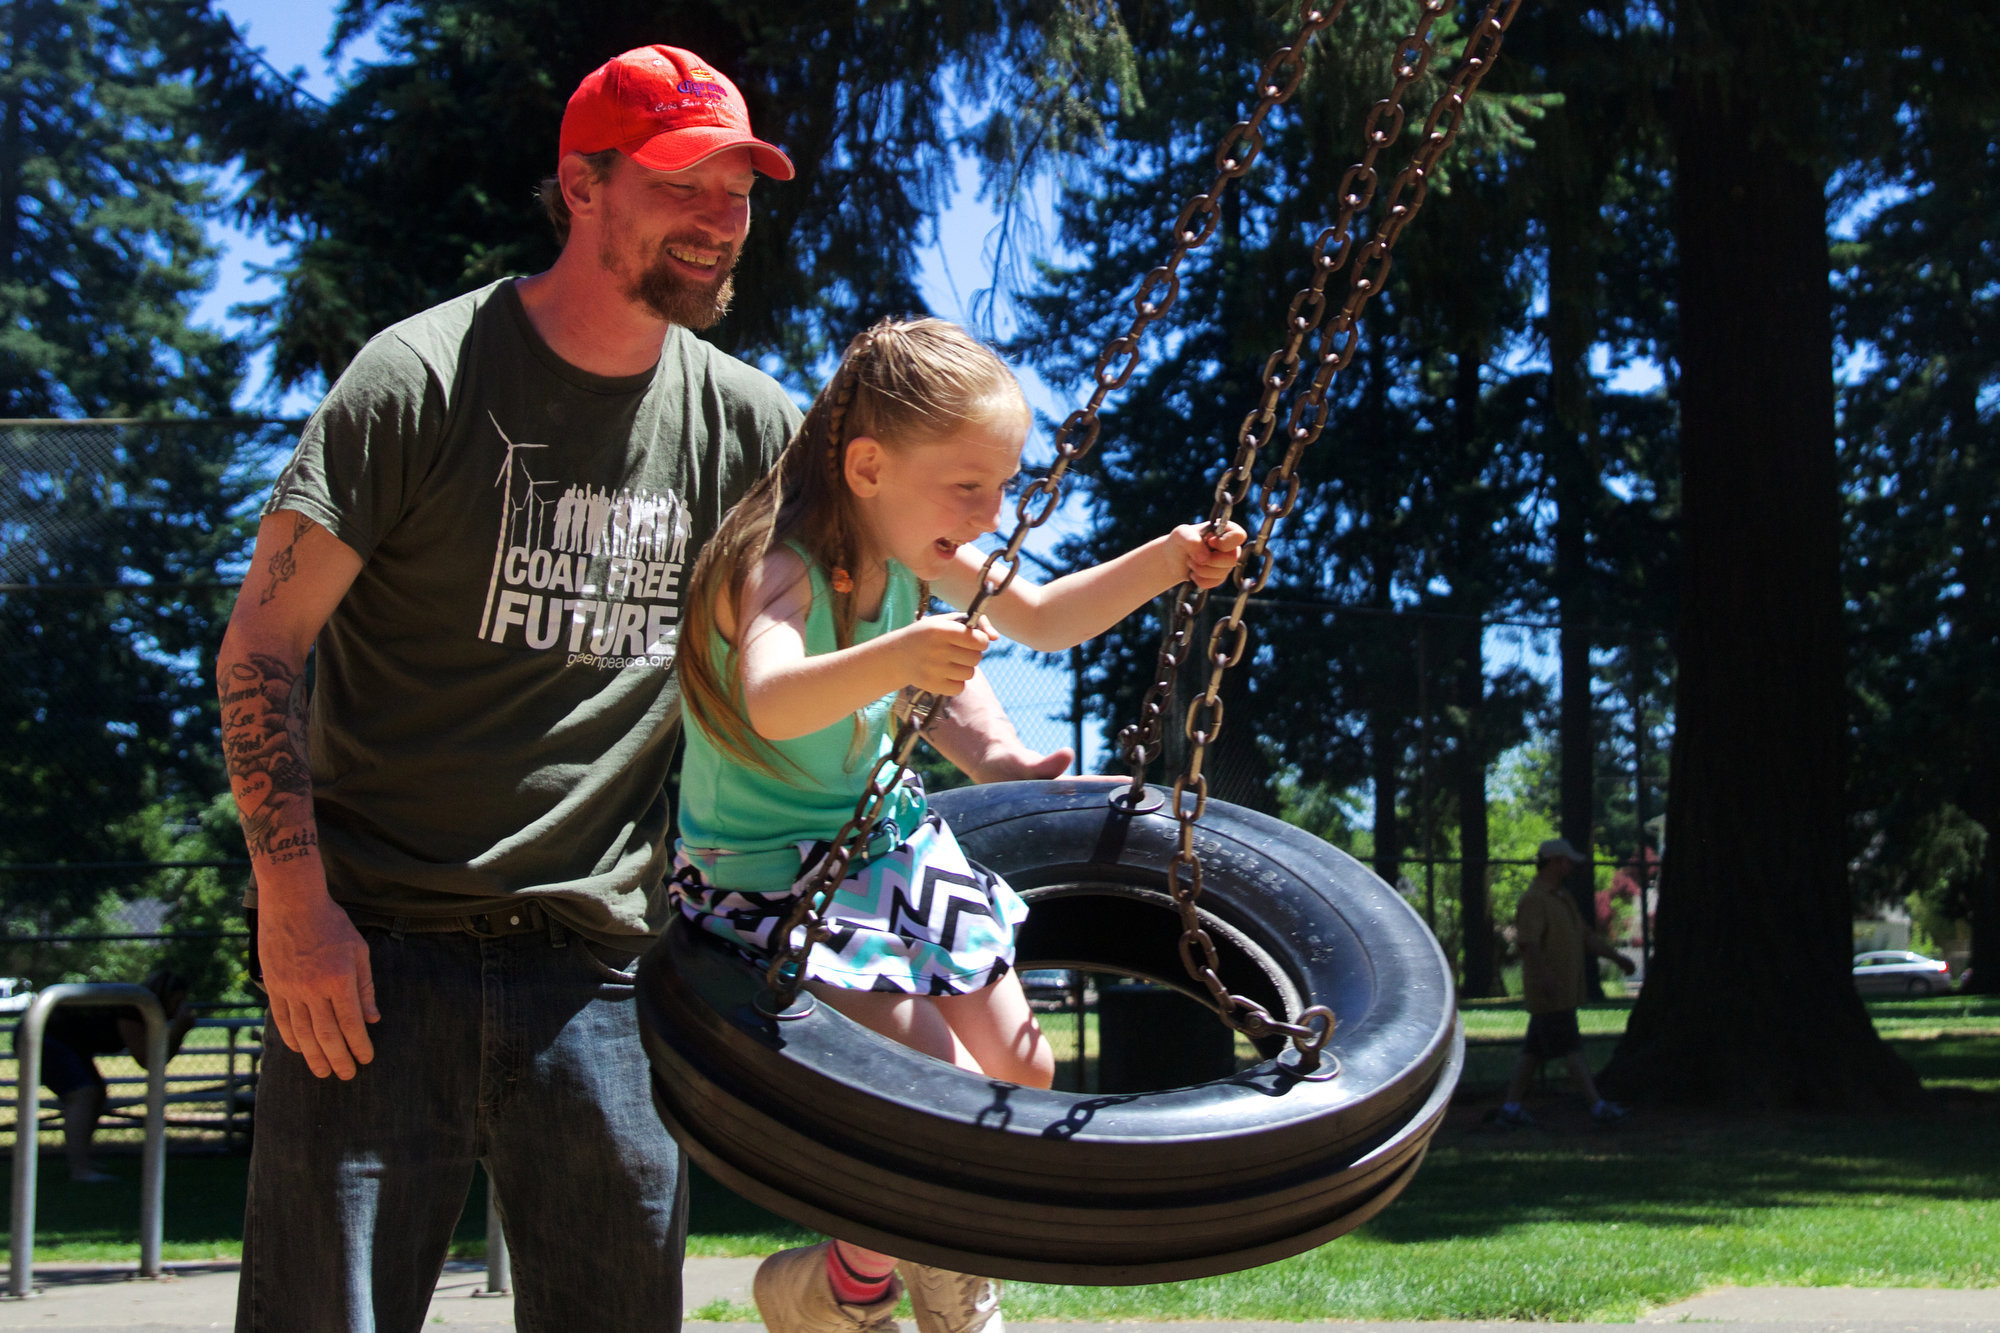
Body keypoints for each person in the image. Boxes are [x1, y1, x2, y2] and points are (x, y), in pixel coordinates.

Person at [214, 46, 1065, 1333]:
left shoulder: (748, 426)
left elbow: (875, 598)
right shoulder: (421, 378)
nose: (719, 224)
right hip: (376, 955)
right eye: (683, 186)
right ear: (583, 187)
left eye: (737, 194)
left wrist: (994, 751)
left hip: (603, 964)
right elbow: (260, 651)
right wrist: (293, 906)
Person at [671, 316, 1246, 1333]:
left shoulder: (916, 552)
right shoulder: (782, 565)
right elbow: (770, 700)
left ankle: (837, 1283)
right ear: (866, 466)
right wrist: (897, 661)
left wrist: (1168, 558)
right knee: (938, 1085)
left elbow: (1046, 617)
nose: (988, 515)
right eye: (967, 486)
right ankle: (930, 1286)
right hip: (774, 878)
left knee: (1024, 1068)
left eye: (1002, 486)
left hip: (887, 849)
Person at [1493, 837, 1637, 1127]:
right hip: (1550, 991)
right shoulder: (1535, 899)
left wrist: (1617, 957)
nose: (1572, 866)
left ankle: (1510, 1108)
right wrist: (1543, 975)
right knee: (1572, 1048)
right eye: (1568, 861)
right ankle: (1597, 1106)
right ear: (1556, 862)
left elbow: (1587, 938)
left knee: (1533, 1052)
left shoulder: (1562, 897)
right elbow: (1528, 944)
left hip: (1562, 990)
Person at [13, 968, 196, 1182]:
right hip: (41, 1034)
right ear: (164, 996)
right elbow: (147, 1059)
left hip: (65, 1041)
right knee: (84, 1093)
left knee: (96, 1093)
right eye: (176, 1001)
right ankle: (80, 1169)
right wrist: (178, 1031)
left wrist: (178, 1033)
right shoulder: (134, 1009)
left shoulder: (141, 1007)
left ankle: (82, 1160)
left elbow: (156, 1058)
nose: (177, 1008)